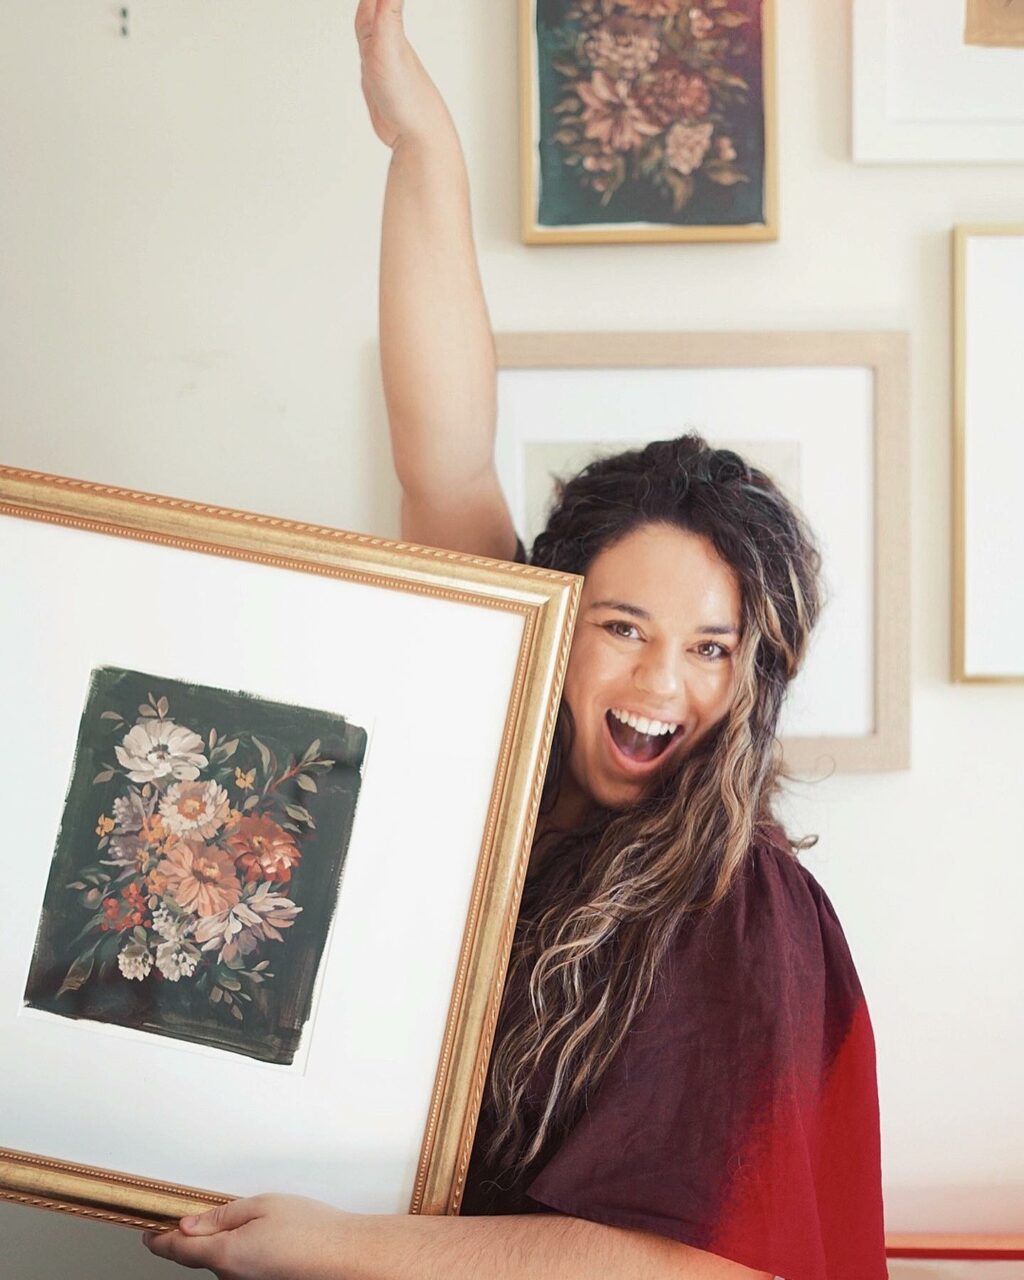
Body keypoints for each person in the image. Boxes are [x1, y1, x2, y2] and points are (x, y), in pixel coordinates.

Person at [144, 2, 887, 1277]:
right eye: (624, 627)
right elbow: (443, 461)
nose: (663, 682)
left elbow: (705, 1267)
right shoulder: (505, 753)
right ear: (554, 627)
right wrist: (423, 149)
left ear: (757, 675)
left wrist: (350, 1247)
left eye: (713, 649)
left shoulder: (738, 906)